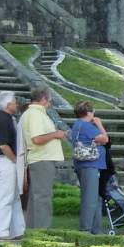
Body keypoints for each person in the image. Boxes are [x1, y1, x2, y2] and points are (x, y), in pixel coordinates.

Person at [22, 87, 67, 229]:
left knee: (37, 198)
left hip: (41, 158)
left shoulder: (36, 113)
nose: (49, 103)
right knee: (43, 198)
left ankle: (33, 230)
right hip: (41, 159)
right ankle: (42, 232)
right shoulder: (35, 114)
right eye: (49, 100)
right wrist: (55, 134)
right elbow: (36, 139)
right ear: (42, 99)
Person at [0, 91, 24, 240]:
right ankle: (0, 231)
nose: (16, 103)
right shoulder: (3, 120)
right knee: (5, 197)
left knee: (14, 197)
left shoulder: (6, 118)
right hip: (5, 160)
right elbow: (3, 145)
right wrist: (15, 160)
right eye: (15, 101)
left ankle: (18, 230)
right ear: (9, 104)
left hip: (6, 160)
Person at [70, 100, 109, 234]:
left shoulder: (78, 124)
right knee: (90, 199)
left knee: (95, 198)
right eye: (92, 112)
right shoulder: (86, 125)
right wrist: (99, 124)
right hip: (89, 165)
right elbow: (104, 139)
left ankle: (95, 230)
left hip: (89, 165)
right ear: (88, 113)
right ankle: (86, 230)